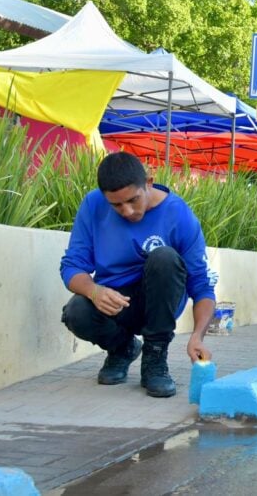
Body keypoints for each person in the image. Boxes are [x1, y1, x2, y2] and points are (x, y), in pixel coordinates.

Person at [59, 152, 217, 398]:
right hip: (116, 302)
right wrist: (94, 290)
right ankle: (123, 348)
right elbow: (71, 266)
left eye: (133, 199)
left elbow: (202, 286)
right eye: (117, 205)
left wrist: (197, 336)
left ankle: (155, 356)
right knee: (75, 312)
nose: (127, 211)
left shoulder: (179, 215)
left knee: (164, 257)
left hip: (160, 301)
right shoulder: (92, 205)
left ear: (149, 183)